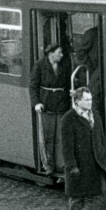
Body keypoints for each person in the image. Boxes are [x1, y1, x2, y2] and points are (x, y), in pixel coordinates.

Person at [60, 86, 106, 210]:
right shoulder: (69, 118)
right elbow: (66, 146)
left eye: (91, 99)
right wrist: (71, 166)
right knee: (77, 196)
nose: (90, 102)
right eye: (87, 100)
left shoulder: (95, 115)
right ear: (77, 101)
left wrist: (105, 159)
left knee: (102, 192)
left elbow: (100, 139)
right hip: (79, 164)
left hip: (96, 163)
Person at [29, 42, 71, 175]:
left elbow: (68, 82)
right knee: (48, 136)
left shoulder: (64, 65)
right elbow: (33, 86)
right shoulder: (40, 65)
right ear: (51, 54)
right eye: (59, 52)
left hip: (62, 104)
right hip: (46, 105)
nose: (62, 55)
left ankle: (61, 165)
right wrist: (36, 103)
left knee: (61, 136)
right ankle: (49, 165)